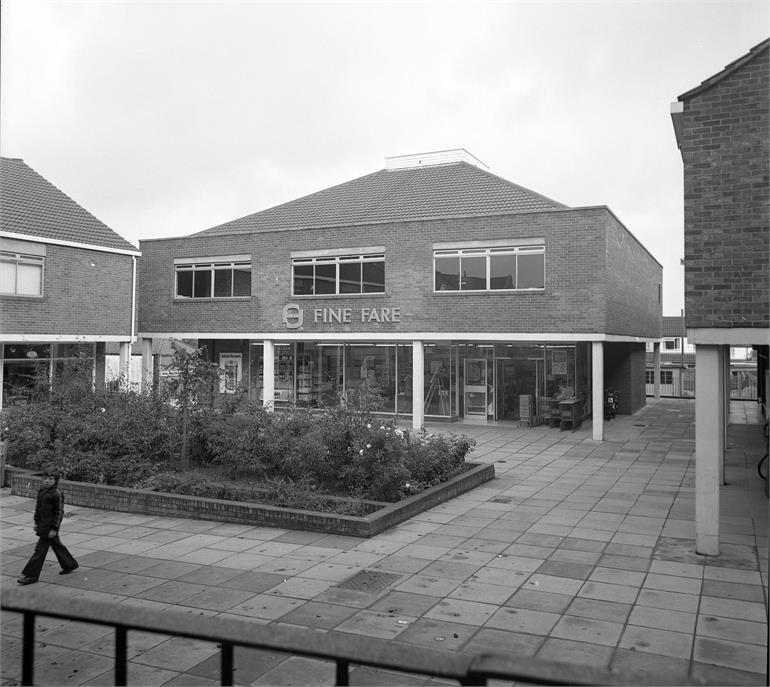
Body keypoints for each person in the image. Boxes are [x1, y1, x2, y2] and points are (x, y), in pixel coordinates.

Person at [17, 469, 78, 585]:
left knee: (39, 551)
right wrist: (36, 522)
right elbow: (38, 507)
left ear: (55, 480)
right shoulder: (42, 491)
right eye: (45, 478)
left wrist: (54, 528)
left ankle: (31, 575)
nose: (47, 481)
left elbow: (59, 512)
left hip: (50, 527)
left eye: (50, 479)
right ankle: (70, 564)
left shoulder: (57, 494)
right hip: (43, 524)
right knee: (56, 545)